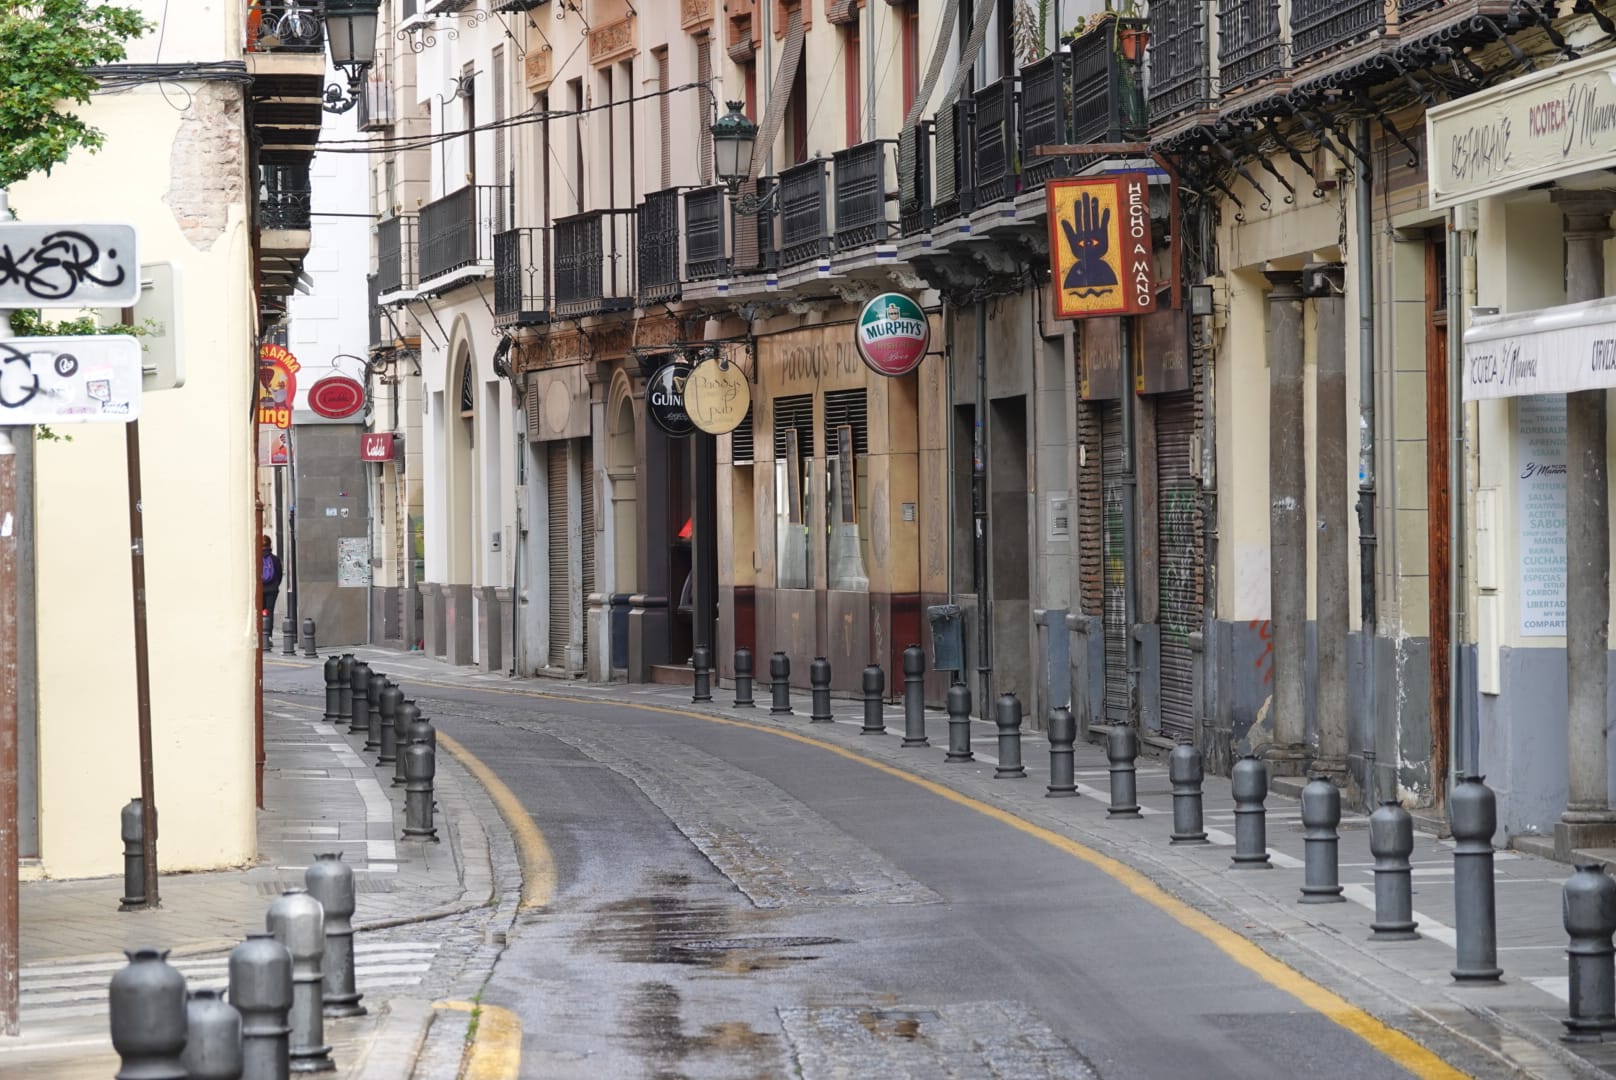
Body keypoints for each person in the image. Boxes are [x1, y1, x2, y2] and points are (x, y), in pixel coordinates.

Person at [261, 535, 283, 620]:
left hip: (261, 590)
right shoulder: (275, 559)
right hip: (272, 590)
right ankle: (268, 632)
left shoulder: (257, 559)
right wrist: (275, 585)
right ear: (270, 545)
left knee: (260, 613)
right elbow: (279, 575)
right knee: (269, 612)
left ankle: (262, 632)